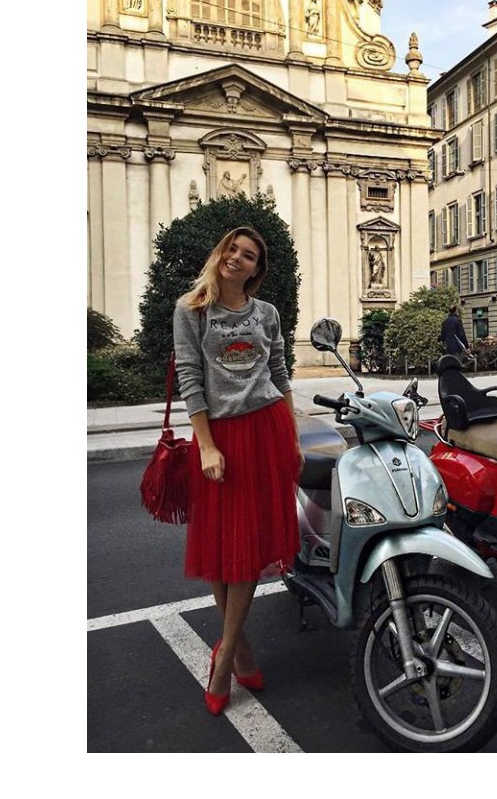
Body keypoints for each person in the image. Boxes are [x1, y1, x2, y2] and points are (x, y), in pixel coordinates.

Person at [172, 226, 304, 716]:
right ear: (220, 253)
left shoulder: (266, 313)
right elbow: (190, 377)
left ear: (256, 269)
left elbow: (280, 375)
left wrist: (292, 438)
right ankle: (238, 649)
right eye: (232, 248)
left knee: (248, 545)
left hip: (266, 430)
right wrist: (206, 446)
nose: (237, 257)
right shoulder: (192, 309)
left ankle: (224, 655)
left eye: (248, 255)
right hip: (220, 438)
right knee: (221, 542)